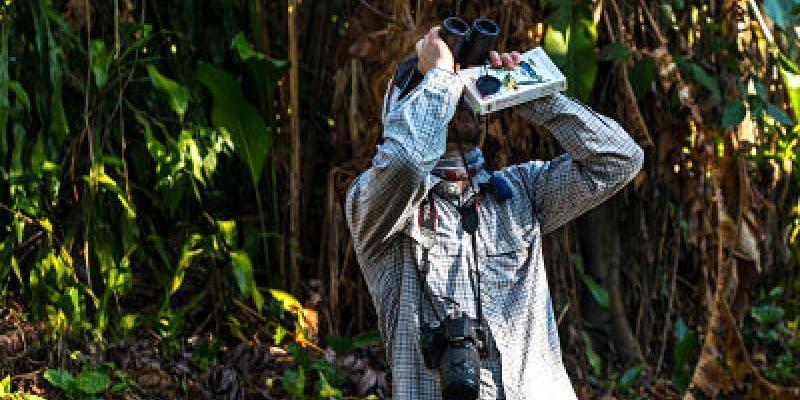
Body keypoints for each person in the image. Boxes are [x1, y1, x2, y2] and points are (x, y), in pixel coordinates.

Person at [345, 26, 644, 400]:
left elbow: (619, 160)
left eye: (462, 83)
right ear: (402, 113)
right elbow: (405, 162)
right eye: (444, 87)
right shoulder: (377, 213)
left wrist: (532, 95)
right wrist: (438, 77)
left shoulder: (520, 192)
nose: (458, 93)